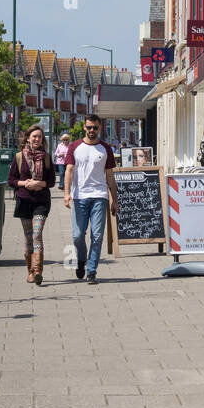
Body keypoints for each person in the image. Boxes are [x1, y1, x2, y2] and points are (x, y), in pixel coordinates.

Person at [63, 114, 117, 285]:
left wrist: (115, 199)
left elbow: (110, 176)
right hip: (80, 196)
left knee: (98, 235)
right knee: (77, 236)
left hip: (99, 196)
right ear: (84, 128)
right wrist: (66, 193)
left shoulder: (105, 148)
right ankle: (80, 259)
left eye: (95, 127)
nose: (92, 130)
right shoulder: (74, 147)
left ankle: (92, 270)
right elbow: (69, 171)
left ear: (99, 128)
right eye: (89, 127)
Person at [8, 126, 56, 285]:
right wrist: (25, 183)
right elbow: (11, 180)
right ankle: (30, 271)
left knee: (37, 234)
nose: (37, 140)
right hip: (24, 200)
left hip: (41, 202)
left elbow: (51, 182)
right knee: (29, 238)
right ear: (27, 138)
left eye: (40, 137)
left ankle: (37, 271)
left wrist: (39, 183)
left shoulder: (47, 158)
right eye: (34, 136)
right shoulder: (19, 157)